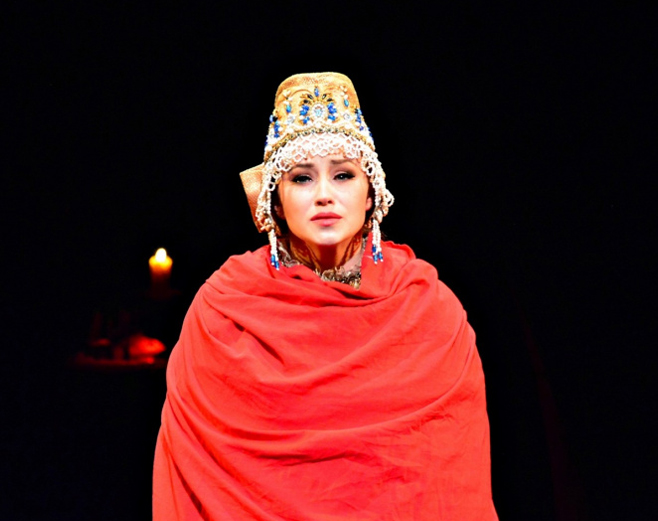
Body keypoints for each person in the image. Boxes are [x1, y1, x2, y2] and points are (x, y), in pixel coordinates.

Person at [153, 72, 498, 520]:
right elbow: (194, 469)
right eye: (301, 178)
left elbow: (448, 481)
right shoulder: (224, 310)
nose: (324, 196)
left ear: (370, 192)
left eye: (342, 175)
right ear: (275, 201)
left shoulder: (429, 309)